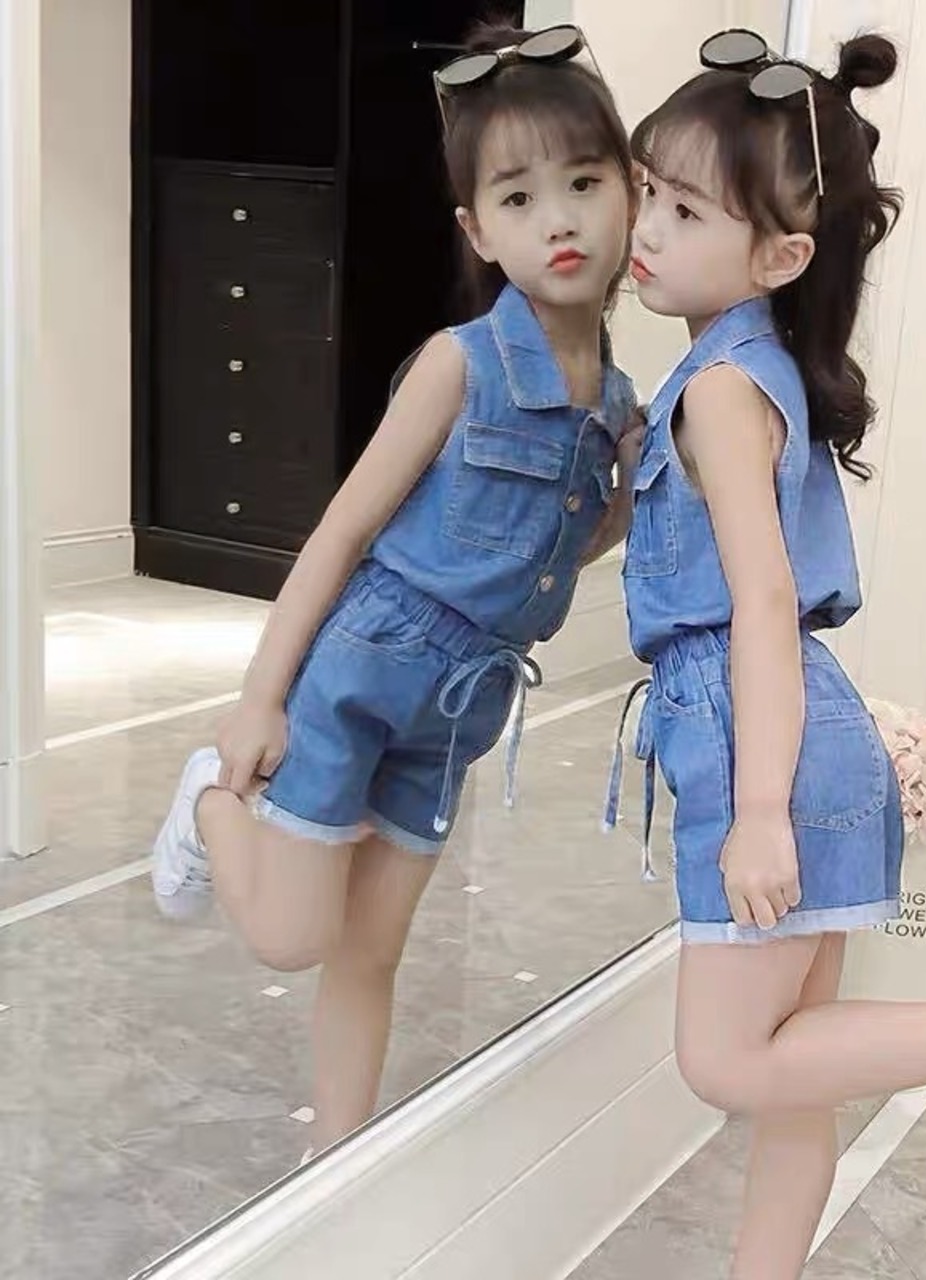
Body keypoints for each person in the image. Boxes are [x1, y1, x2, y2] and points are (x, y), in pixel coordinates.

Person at [613, 28, 926, 1278]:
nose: (646, 228)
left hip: (763, 737)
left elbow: (759, 601)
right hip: (805, 730)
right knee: (796, 1073)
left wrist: (756, 811)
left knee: (726, 1060)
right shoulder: (748, 367)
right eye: (645, 190)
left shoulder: (721, 387)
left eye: (684, 209)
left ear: (780, 256)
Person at [151, 20, 641, 1157]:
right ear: (477, 229)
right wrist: (257, 700)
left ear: (629, 188)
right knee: (290, 937)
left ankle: (333, 1159)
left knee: (371, 952)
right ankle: (209, 803)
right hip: (365, 669)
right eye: (517, 197)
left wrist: (625, 497)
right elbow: (341, 534)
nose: (558, 220)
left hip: (464, 706)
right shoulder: (459, 363)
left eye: (583, 182)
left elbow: (557, 553)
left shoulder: (616, 403)